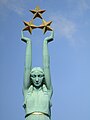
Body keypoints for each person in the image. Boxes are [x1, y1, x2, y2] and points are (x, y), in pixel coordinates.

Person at [21, 31, 54, 120]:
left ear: (43, 77)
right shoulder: (27, 91)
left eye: (39, 76)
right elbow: (27, 68)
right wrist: (28, 43)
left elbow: (46, 66)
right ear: (30, 78)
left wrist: (45, 42)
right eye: (34, 76)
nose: (36, 79)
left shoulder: (48, 90)